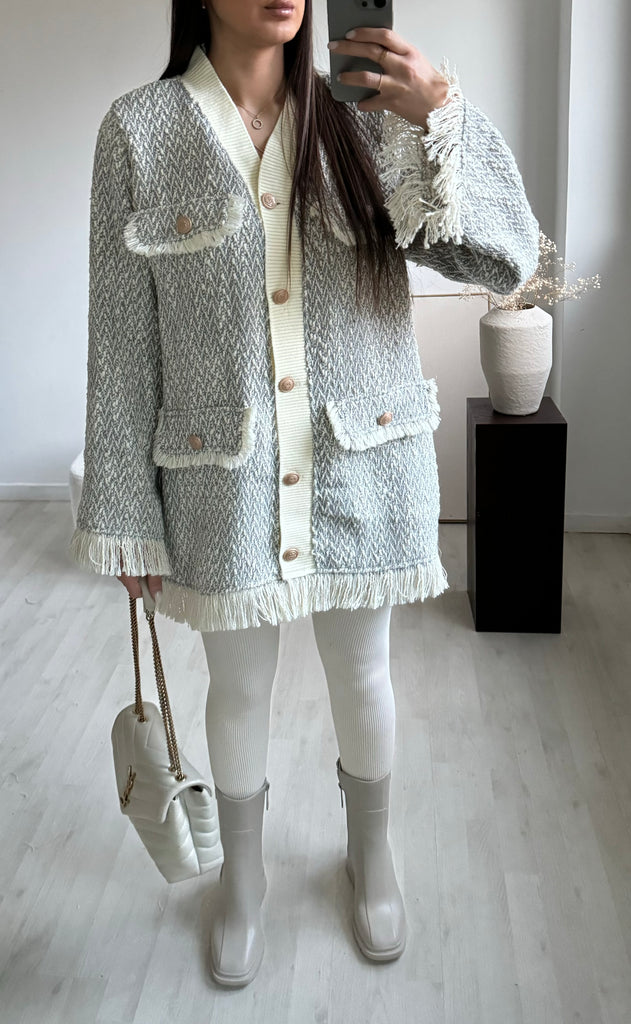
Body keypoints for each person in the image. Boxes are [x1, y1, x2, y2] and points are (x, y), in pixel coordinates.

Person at [69, 0, 540, 989]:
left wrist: (440, 113)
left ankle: (371, 851)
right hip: (221, 479)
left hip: (363, 465)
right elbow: (120, 346)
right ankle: (241, 880)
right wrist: (126, 519)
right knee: (237, 688)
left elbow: (505, 256)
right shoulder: (139, 133)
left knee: (363, 674)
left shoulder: (365, 119)